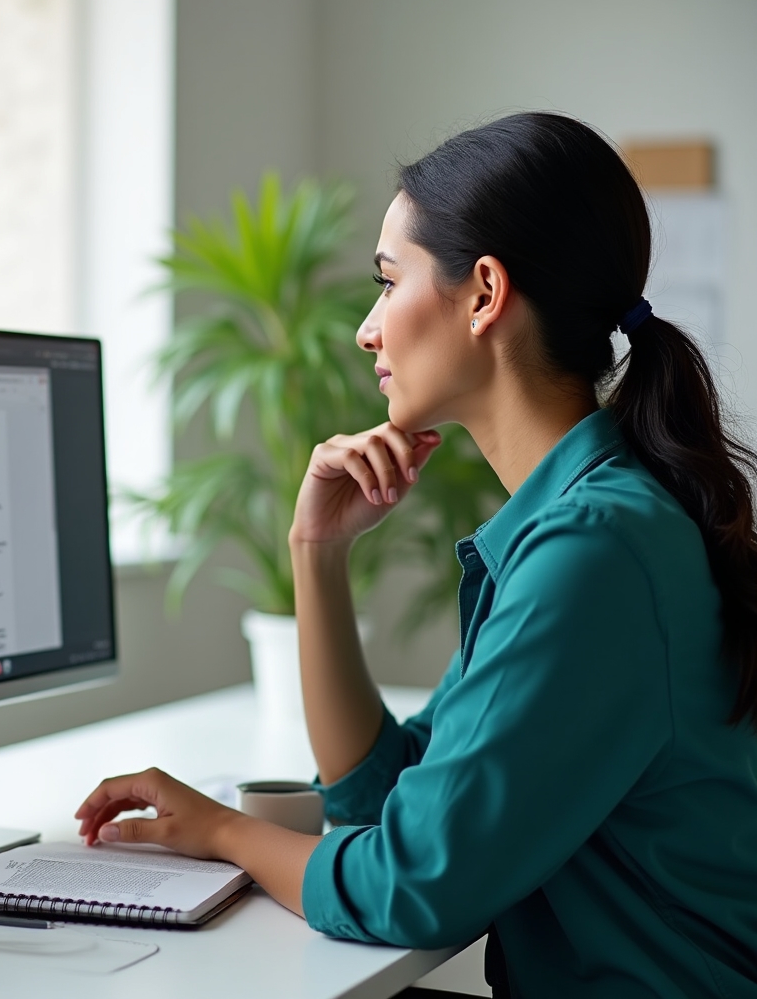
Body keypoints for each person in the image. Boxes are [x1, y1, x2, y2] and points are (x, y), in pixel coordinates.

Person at [76, 113, 757, 998]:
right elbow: (386, 797)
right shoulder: (584, 522)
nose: (368, 330)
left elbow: (411, 886)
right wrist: (315, 553)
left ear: (483, 294)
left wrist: (220, 832)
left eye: (388, 282)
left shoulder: (593, 551)